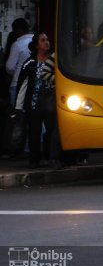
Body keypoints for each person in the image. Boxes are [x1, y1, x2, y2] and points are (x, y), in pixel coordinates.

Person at [15, 32, 61, 169]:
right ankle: (34, 160)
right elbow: (22, 85)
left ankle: (50, 157)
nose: (47, 42)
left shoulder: (55, 60)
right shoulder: (30, 63)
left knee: (51, 131)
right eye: (43, 40)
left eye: (47, 40)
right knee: (34, 132)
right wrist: (18, 106)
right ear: (36, 45)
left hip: (51, 103)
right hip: (34, 103)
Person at [5, 18, 33, 107]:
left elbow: (10, 67)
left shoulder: (17, 44)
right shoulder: (38, 40)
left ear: (18, 30)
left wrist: (17, 71)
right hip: (35, 83)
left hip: (18, 84)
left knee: (18, 114)